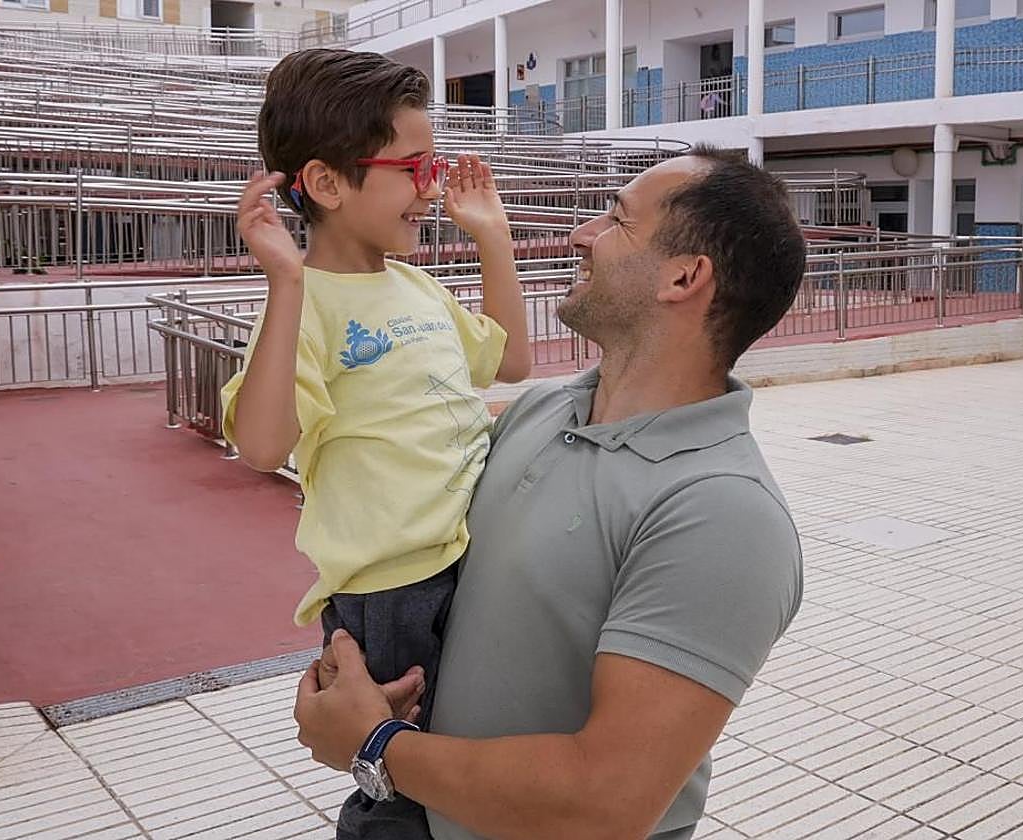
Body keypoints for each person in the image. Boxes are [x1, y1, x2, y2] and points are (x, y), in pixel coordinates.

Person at [296, 146, 807, 840]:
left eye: (617, 219)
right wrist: (357, 664)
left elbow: (604, 802)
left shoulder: (723, 511)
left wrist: (375, 746)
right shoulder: (542, 413)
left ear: (685, 276)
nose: (582, 235)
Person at [219, 48, 530, 838]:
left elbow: (510, 361)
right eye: (414, 168)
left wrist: (493, 237)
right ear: (326, 184)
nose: (432, 189)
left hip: (461, 555)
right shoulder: (309, 304)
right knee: (394, 773)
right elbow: (261, 445)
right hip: (391, 588)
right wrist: (286, 283)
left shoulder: (416, 284)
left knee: (454, 753)